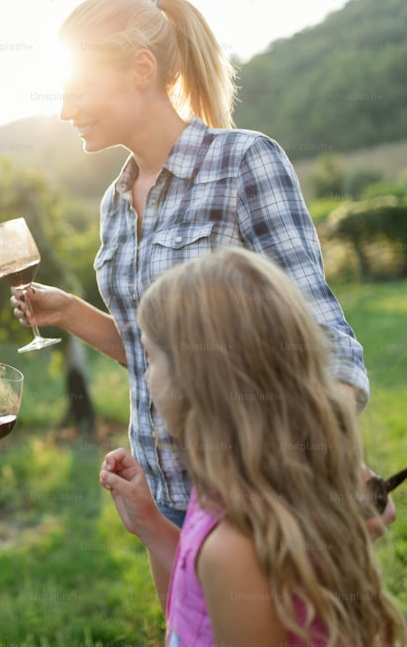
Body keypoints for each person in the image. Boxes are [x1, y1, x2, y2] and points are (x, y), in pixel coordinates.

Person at [13, 0, 371, 527]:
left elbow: (322, 336)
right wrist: (69, 313)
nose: (66, 112)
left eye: (79, 90)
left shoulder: (245, 162)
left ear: (141, 69)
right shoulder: (116, 201)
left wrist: (330, 457)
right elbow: (154, 349)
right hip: (165, 491)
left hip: (253, 492)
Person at [98, 247, 407, 646]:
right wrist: (150, 524)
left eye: (151, 356)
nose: (145, 372)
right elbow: (207, 591)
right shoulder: (230, 488)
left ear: (198, 381)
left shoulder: (234, 543)